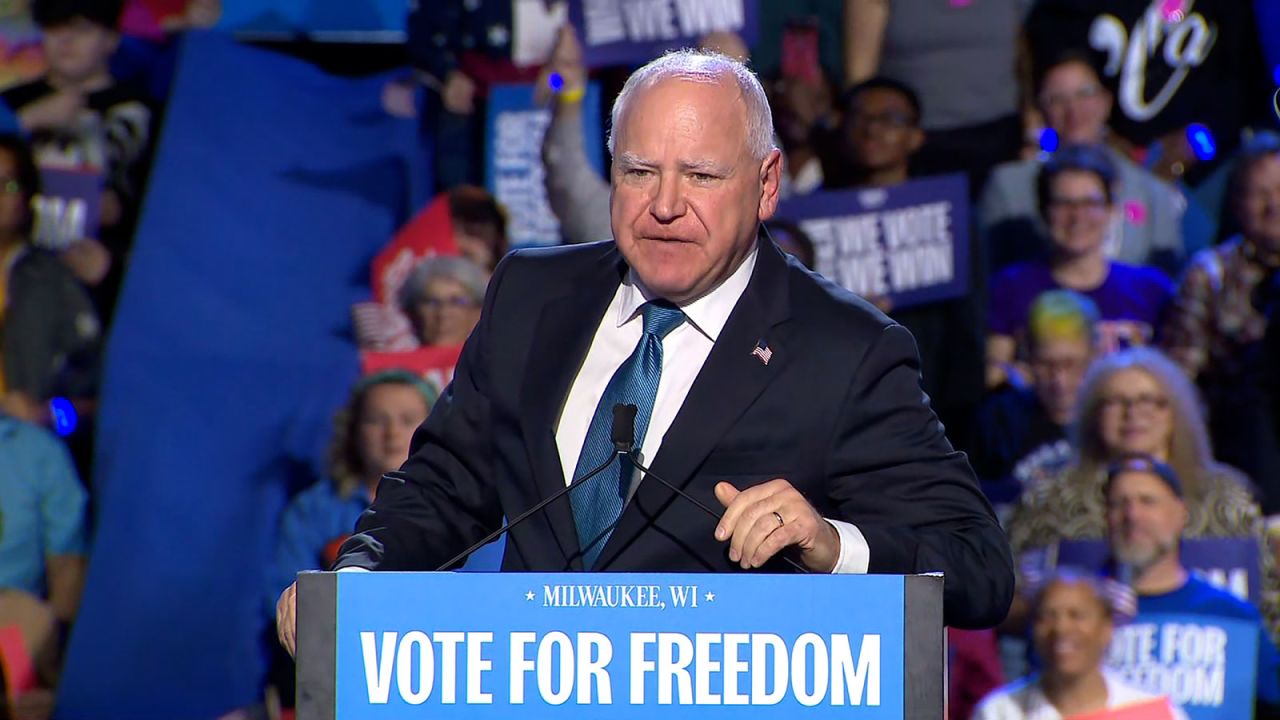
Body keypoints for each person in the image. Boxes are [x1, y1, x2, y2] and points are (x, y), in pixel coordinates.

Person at [277, 49, 1013, 654]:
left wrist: (831, 545)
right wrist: (363, 576)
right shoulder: (533, 295)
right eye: (638, 172)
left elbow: (978, 567)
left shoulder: (844, 349)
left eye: (700, 175)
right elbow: (445, 483)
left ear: (765, 185)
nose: (664, 205)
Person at [1006, 347, 1279, 637]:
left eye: (1149, 401)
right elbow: (1005, 600)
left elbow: (1269, 599)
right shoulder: (1050, 499)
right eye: (1116, 402)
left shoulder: (1226, 495)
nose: (1133, 413)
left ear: (1176, 412)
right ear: (1093, 414)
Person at [824, 76, 986, 453]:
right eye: (861, 116)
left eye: (891, 119)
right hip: (841, 405)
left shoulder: (950, 216)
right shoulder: (810, 217)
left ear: (916, 137)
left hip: (937, 400)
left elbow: (969, 322)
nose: (873, 128)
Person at [2, 0, 155, 323]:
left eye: (82, 29)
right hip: (15, 278)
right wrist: (27, 121)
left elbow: (164, 205)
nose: (66, 41)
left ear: (111, 39)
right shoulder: (12, 105)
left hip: (103, 283)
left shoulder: (147, 111)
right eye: (55, 29)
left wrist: (120, 211)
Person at [1101, 455, 1280, 714]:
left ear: (1181, 514)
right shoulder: (1081, 616)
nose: (1132, 515)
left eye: (1148, 501)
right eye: (1119, 503)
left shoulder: (1231, 614)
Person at [980, 51, 1186, 274]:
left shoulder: (1153, 193)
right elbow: (989, 283)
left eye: (1085, 94)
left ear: (1105, 102)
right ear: (1042, 110)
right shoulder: (1009, 187)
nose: (1073, 110)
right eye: (1056, 99)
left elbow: (1168, 286)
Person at [987, 145, 1173, 389]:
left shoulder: (1151, 289)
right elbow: (993, 374)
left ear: (1111, 210)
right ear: (1044, 212)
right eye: (1064, 204)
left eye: (1090, 204)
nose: (1077, 218)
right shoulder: (1010, 287)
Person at [1162, 133, 1280, 514]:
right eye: (1259, 194)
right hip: (1240, 431)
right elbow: (1182, 378)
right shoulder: (1209, 273)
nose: (1274, 205)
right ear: (1237, 203)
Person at [973, 569, 1182, 720]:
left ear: (1106, 627)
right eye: (1048, 616)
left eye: (1077, 616)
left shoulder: (1153, 713)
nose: (1061, 628)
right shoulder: (1000, 712)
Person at [0, 133, 99, 426]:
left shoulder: (52, 282)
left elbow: (96, 404)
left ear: (26, 199)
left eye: (7, 184)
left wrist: (46, 416)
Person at [973, 290, 1099, 513]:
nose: (1059, 380)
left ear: (1094, 355)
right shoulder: (1000, 416)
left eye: (1071, 364)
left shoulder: (1110, 415)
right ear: (1028, 357)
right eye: (1045, 365)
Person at [396, 255, 487, 348]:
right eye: (432, 302)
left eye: (456, 302)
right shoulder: (394, 360)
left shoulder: (492, 360)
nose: (443, 314)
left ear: (478, 312)